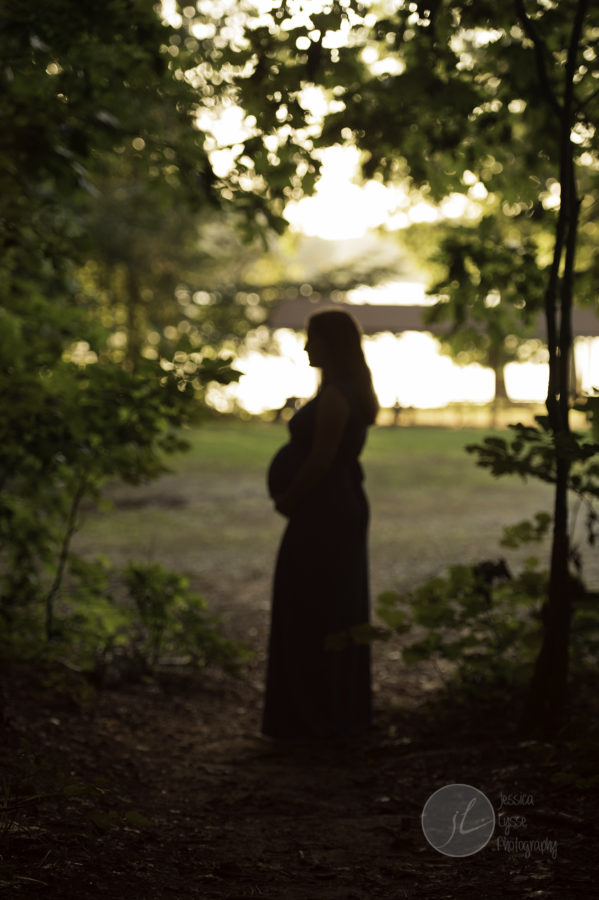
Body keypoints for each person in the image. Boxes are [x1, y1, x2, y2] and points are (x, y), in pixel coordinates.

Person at [263, 308, 379, 739]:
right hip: (330, 507)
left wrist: (289, 498)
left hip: (325, 510)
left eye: (313, 338)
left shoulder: (336, 396)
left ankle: (317, 718)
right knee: (323, 603)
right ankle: (325, 712)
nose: (307, 346)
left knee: (314, 605)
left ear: (333, 345)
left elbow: (321, 460)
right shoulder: (338, 390)